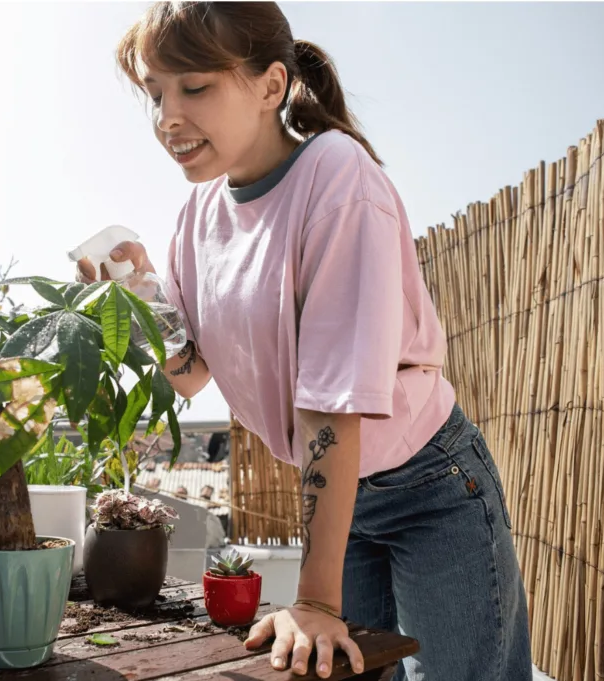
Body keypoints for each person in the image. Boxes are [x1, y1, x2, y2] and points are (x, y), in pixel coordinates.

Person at [78, 3, 532, 679]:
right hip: (340, 500)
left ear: (271, 85)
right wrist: (139, 296)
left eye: (194, 87)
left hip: (431, 489)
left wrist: (316, 598)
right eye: (155, 95)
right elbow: (190, 374)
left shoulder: (337, 179)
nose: (167, 117)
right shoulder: (198, 213)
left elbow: (330, 403)